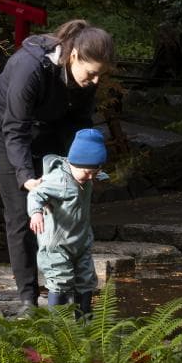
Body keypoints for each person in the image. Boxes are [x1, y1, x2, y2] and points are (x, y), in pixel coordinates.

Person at [0, 18, 115, 311]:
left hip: (50, 126)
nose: (95, 82)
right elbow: (15, 127)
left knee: (61, 202)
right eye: (91, 74)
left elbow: (79, 123)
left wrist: (85, 162)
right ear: (73, 55)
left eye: (100, 76)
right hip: (3, 131)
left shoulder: (84, 78)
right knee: (20, 211)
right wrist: (26, 175)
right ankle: (28, 298)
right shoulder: (31, 68)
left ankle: (63, 289)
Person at [28, 128, 105, 317]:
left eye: (95, 172)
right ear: (73, 163)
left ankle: (85, 321)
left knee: (87, 279)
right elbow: (35, 193)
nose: (90, 177)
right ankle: (59, 327)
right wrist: (36, 213)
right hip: (57, 244)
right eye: (87, 173)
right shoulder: (58, 180)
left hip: (81, 240)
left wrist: (99, 176)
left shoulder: (88, 174)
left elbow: (94, 172)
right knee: (60, 279)